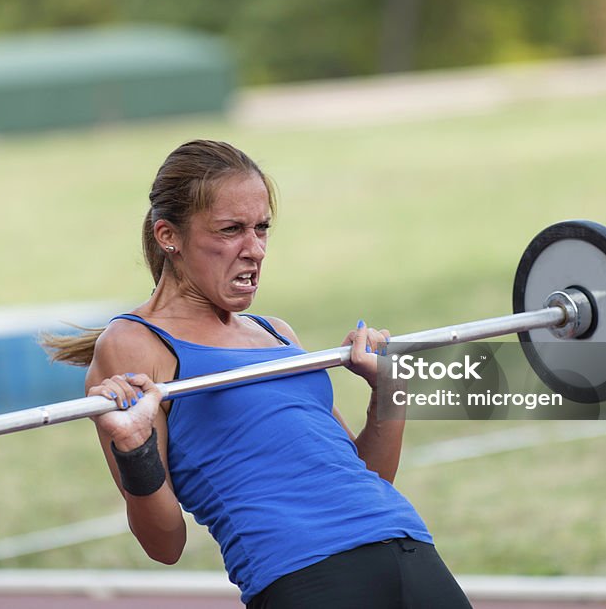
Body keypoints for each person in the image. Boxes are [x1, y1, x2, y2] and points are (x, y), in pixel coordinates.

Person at [43, 140, 471, 608]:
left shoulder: (275, 333)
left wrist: (389, 391)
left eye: (261, 228)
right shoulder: (133, 343)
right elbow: (163, 544)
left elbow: (367, 477)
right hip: (305, 576)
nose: (256, 250)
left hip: (410, 550)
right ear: (169, 236)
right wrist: (135, 451)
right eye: (231, 230)